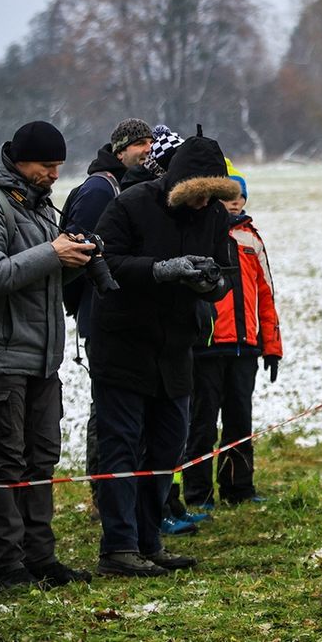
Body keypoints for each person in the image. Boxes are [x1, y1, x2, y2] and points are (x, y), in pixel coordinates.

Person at [91, 129, 239, 577]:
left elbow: (224, 272)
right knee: (121, 447)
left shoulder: (214, 216)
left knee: (166, 447)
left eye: (213, 196)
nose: (204, 204)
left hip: (176, 348)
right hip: (123, 345)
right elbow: (102, 261)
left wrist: (210, 283)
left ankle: (148, 541)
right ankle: (118, 549)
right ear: (178, 184)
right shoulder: (129, 205)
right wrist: (159, 270)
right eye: (198, 195)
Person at [0, 120, 95, 592]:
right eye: (47, 165)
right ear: (20, 162)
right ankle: (7, 566)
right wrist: (53, 254)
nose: (55, 174)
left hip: (42, 359)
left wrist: (77, 261)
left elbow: (43, 278)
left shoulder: (37, 208)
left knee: (41, 461)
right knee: (4, 461)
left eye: (59, 165)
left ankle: (41, 558)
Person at [60, 118, 153, 515]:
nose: (147, 151)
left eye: (151, 145)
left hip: (117, 311)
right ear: (120, 151)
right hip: (100, 312)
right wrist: (87, 303)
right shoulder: (101, 189)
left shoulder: (126, 185)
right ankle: (102, 495)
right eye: (140, 146)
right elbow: (73, 251)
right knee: (107, 407)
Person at [184, 161, 282, 509]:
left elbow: (267, 295)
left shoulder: (251, 239)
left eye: (241, 196)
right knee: (202, 425)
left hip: (245, 348)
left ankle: (238, 488)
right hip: (207, 348)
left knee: (240, 422)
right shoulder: (199, 234)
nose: (236, 202)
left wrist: (271, 346)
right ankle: (198, 495)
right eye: (229, 196)